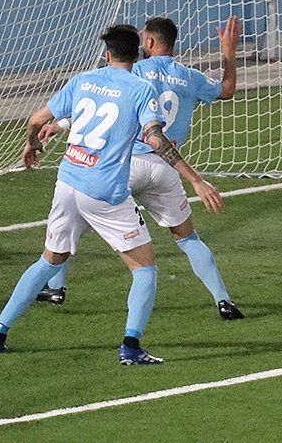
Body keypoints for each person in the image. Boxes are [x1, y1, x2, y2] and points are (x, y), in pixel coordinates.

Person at [0, 25, 224, 365]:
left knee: (49, 260)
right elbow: (155, 139)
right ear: (138, 52)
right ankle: (131, 346)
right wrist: (196, 180)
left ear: (107, 54)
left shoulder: (82, 80)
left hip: (67, 183)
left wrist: (32, 144)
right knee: (145, 268)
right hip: (105, 191)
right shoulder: (140, 89)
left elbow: (37, 119)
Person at [37, 16, 244, 320]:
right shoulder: (190, 77)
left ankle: (56, 286)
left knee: (76, 213)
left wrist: (60, 124)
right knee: (187, 238)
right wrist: (228, 51)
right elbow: (226, 90)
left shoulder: (135, 70)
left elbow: (106, 100)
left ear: (148, 43)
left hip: (126, 164)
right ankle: (223, 300)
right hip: (166, 167)